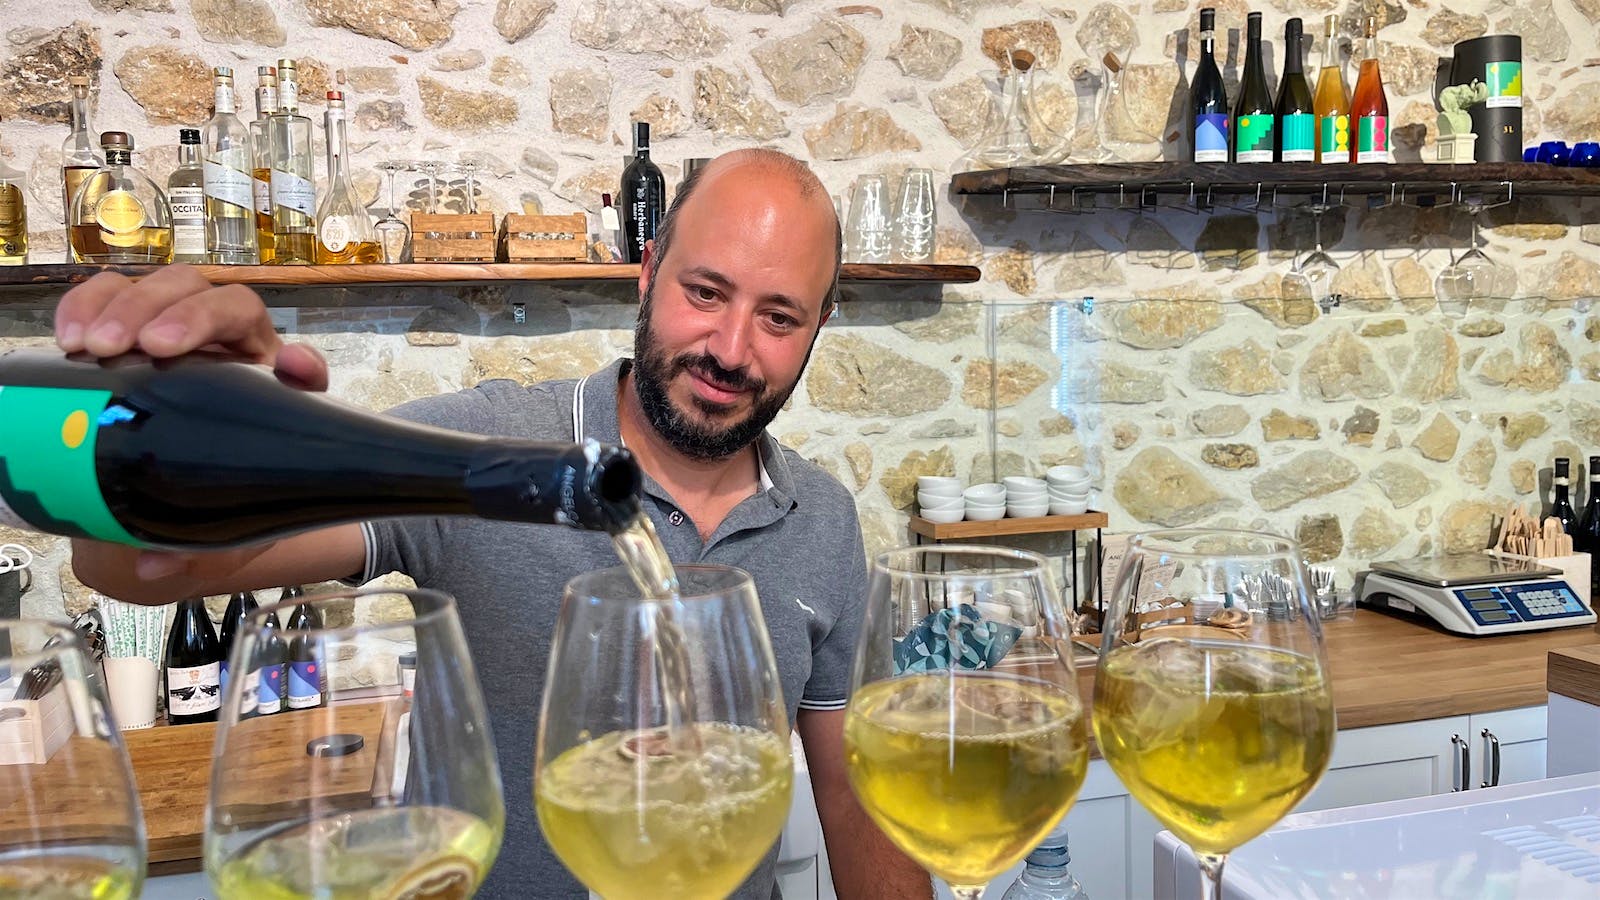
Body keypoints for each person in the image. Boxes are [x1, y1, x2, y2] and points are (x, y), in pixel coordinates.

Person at [60, 149, 933, 898]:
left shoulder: (821, 517)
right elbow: (142, 566)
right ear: (649, 268)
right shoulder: (484, 447)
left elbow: (863, 806)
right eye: (706, 292)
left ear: (821, 323)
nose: (732, 349)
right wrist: (144, 435)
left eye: (779, 316)